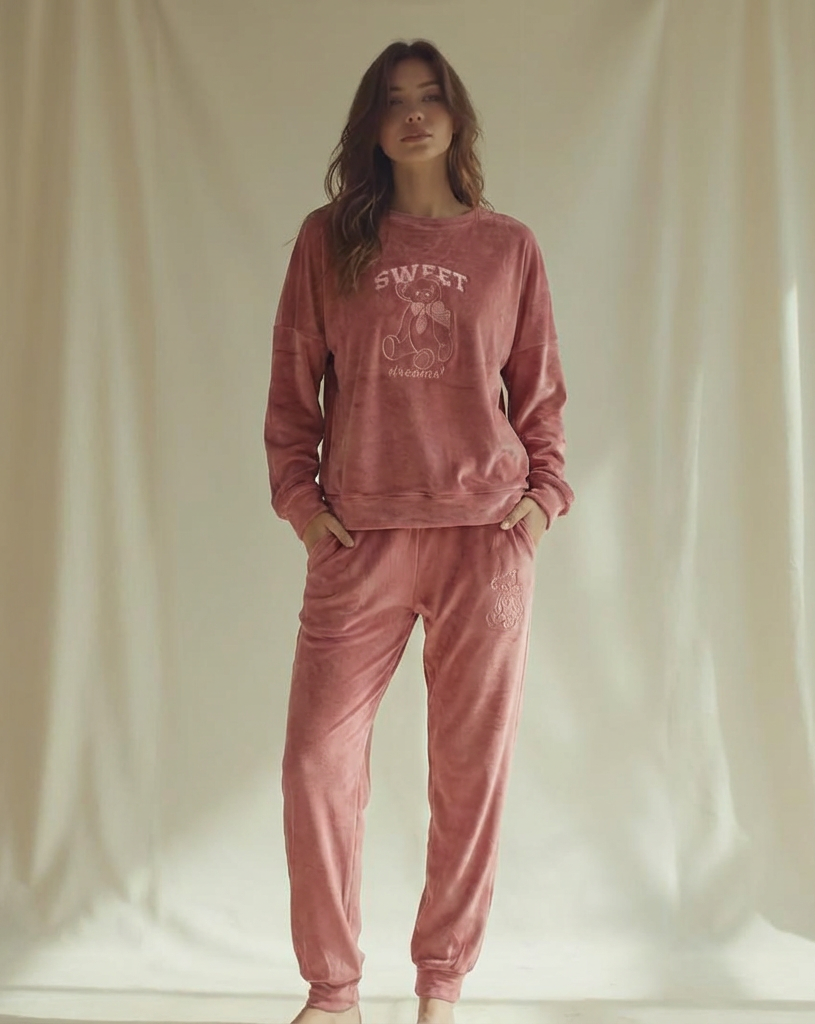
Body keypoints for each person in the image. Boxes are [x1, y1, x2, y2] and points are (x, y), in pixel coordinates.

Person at [263, 37, 574, 1024]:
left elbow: (540, 396)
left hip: (485, 540)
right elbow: (291, 395)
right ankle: (333, 992)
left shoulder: (507, 247)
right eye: (392, 100)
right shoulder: (328, 241)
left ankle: (440, 988)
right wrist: (305, 510)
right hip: (358, 542)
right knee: (315, 762)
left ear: (454, 115)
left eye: (428, 96)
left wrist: (538, 505)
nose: (411, 113)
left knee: (468, 773)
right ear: (371, 124)